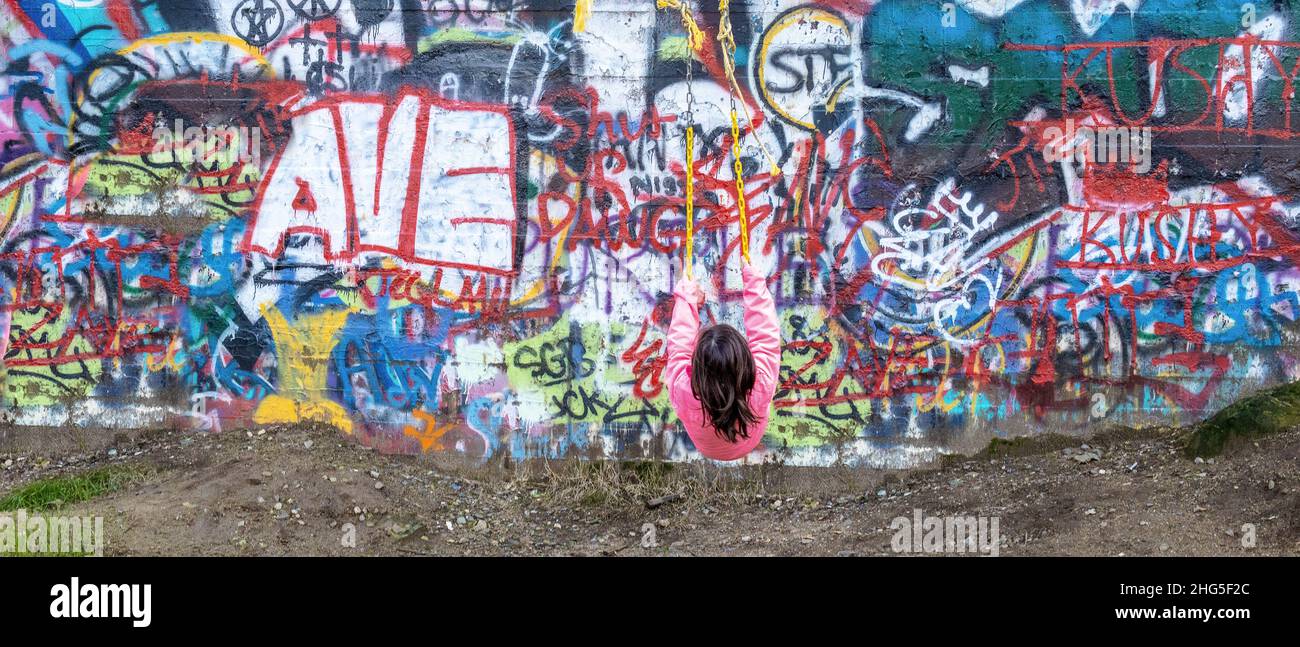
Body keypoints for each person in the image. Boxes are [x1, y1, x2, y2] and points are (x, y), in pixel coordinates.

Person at [665, 260, 781, 461]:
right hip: (749, 439)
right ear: (746, 360)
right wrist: (753, 280)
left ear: (697, 368)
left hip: (707, 447)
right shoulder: (761, 383)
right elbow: (764, 334)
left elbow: (679, 343)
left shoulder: (683, 389)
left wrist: (687, 297)